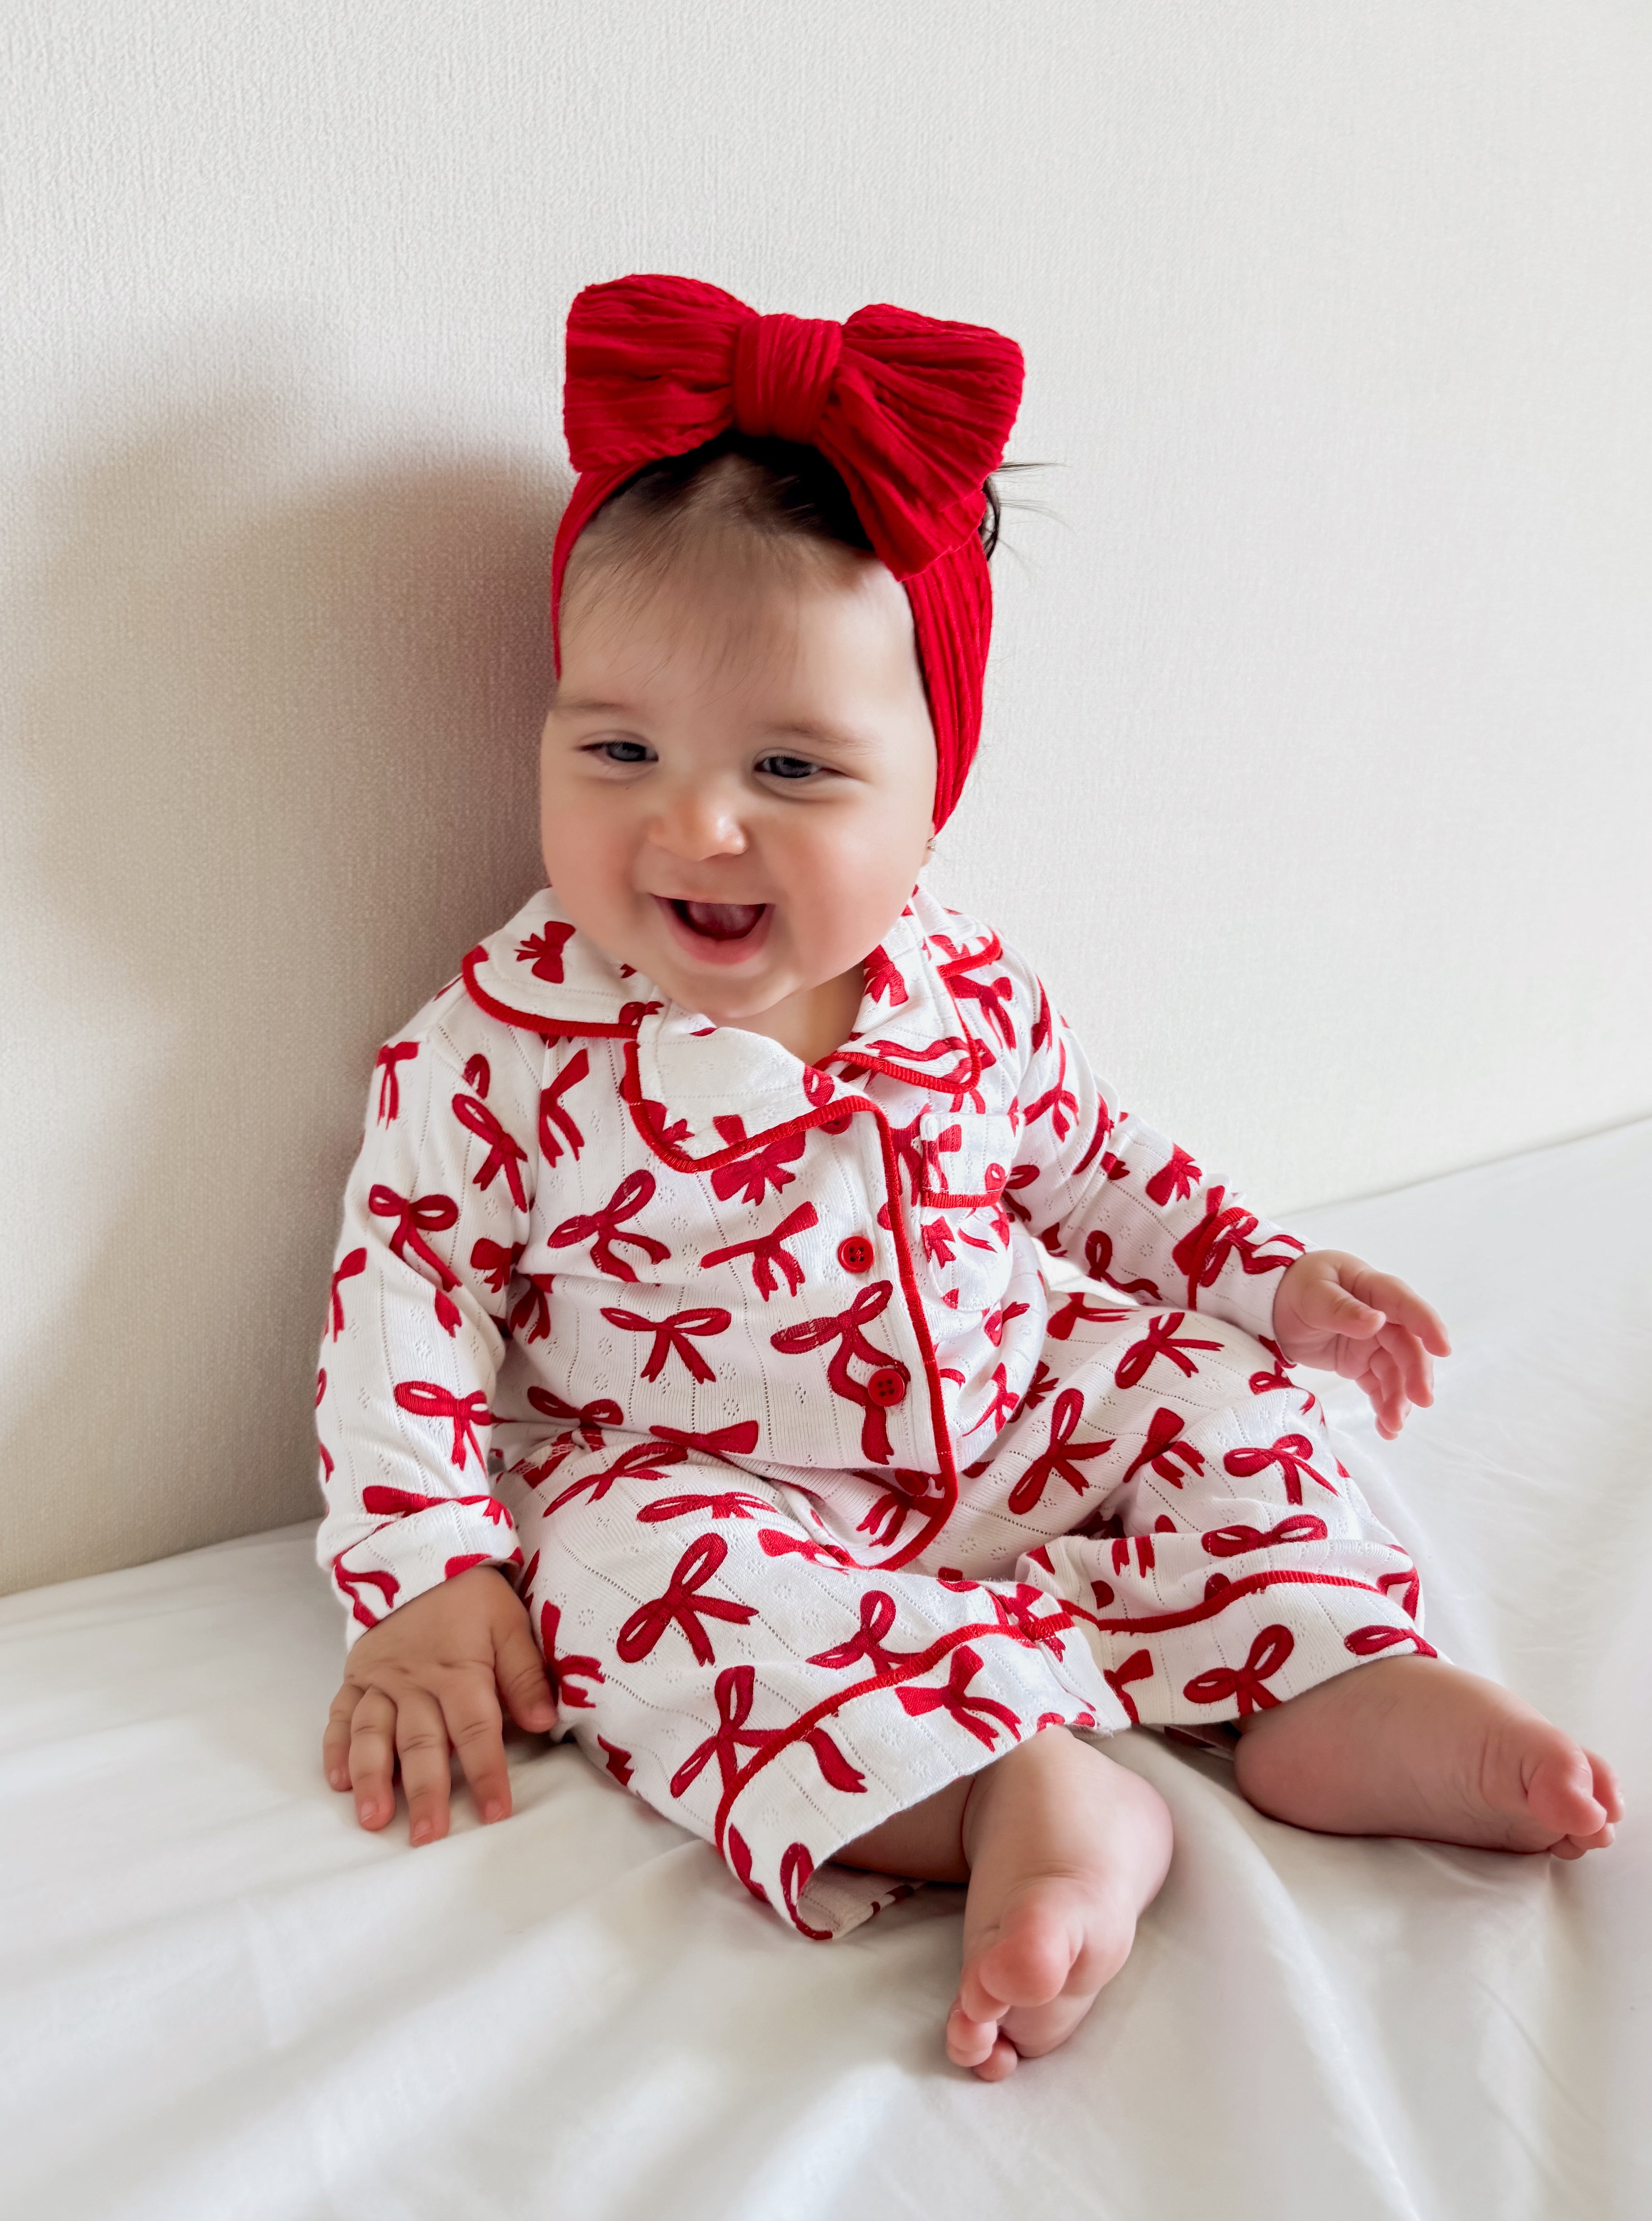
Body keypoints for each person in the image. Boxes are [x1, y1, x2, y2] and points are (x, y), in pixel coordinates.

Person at [315, 274, 1622, 2082]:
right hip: (715, 1478)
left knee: (1229, 1400)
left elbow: (1093, 1167)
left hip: (1014, 1408)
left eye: (790, 766)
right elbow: (405, 1302)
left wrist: (1265, 1281)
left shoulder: (961, 983)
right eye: (618, 750)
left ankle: (1325, 1679)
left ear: (931, 792)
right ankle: (1021, 1792)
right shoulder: (499, 1052)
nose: (695, 825)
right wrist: (424, 1570)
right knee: (618, 1601)